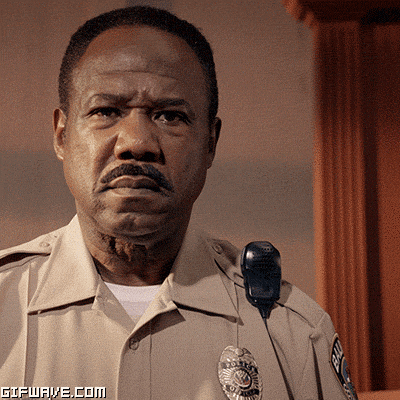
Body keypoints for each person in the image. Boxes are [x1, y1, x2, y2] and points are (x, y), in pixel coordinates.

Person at [0, 6, 357, 400]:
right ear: (62, 135)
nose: (136, 143)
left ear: (210, 143)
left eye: (170, 116)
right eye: (106, 111)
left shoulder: (291, 332)